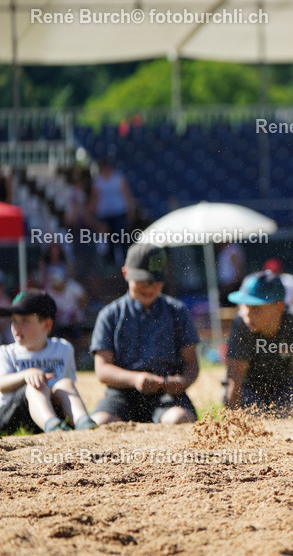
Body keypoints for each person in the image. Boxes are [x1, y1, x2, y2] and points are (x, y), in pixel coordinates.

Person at [89, 242, 200, 425]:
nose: (148, 287)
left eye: (154, 281)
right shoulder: (110, 315)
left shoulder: (177, 312)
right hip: (122, 394)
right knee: (100, 422)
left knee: (180, 419)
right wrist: (135, 379)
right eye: (141, 280)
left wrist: (181, 381)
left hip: (167, 396)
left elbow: (191, 363)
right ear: (125, 273)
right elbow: (102, 369)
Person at [0, 290, 96, 434]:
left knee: (65, 384)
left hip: (51, 410)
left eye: (25, 321)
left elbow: (68, 390)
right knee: (35, 387)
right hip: (13, 415)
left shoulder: (63, 348)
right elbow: (1, 384)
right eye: (14, 320)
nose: (16, 327)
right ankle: (52, 427)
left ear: (46, 325)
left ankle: (83, 423)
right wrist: (27, 374)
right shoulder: (6, 352)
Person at [224, 271, 293, 417]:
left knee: (289, 412)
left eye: (255, 308)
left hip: (286, 384)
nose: (247, 314)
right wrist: (228, 422)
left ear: (279, 307)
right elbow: (235, 379)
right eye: (244, 306)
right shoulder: (240, 324)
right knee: (252, 415)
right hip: (249, 386)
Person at [88, 160, 135, 265]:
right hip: (104, 214)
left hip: (119, 212)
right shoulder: (98, 181)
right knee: (109, 240)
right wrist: (92, 216)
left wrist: (130, 211)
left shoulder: (118, 178)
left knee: (122, 237)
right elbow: (94, 198)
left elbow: (126, 195)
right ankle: (111, 263)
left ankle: (126, 261)